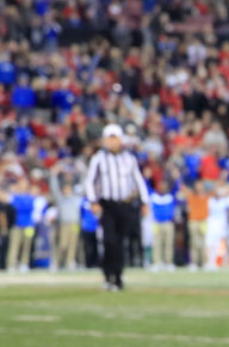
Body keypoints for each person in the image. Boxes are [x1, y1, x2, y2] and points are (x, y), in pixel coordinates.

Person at [85, 124, 150, 290]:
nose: (112, 142)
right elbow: (90, 181)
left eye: (115, 138)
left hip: (125, 204)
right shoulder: (99, 158)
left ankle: (118, 277)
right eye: (109, 138)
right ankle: (108, 275)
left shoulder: (129, 158)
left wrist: (145, 202)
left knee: (121, 241)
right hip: (107, 205)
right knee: (109, 240)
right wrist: (93, 201)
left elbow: (138, 180)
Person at [49, 163, 83, 270]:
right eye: (65, 189)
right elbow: (54, 187)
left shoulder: (76, 197)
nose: (66, 190)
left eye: (68, 189)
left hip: (75, 223)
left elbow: (85, 184)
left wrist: (82, 171)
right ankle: (56, 262)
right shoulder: (61, 199)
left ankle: (70, 262)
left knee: (73, 244)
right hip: (64, 224)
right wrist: (54, 174)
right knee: (62, 244)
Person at [148, 178, 178, 271]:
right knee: (157, 244)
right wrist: (147, 178)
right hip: (157, 223)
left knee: (168, 244)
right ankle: (157, 263)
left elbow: (177, 187)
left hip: (168, 223)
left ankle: (168, 263)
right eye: (161, 186)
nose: (163, 188)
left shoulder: (170, 197)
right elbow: (146, 188)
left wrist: (176, 178)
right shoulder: (154, 197)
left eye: (165, 186)